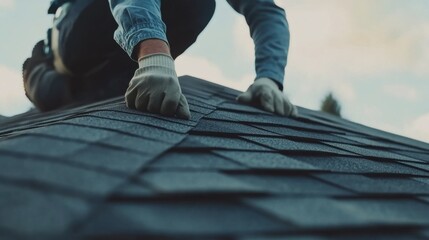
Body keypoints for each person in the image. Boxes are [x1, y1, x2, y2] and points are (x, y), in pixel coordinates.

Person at [23, 0, 297, 119]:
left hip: (107, 72)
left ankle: (89, 90)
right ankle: (40, 72)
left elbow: (266, 12)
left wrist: (270, 78)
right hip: (72, 39)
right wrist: (154, 55)